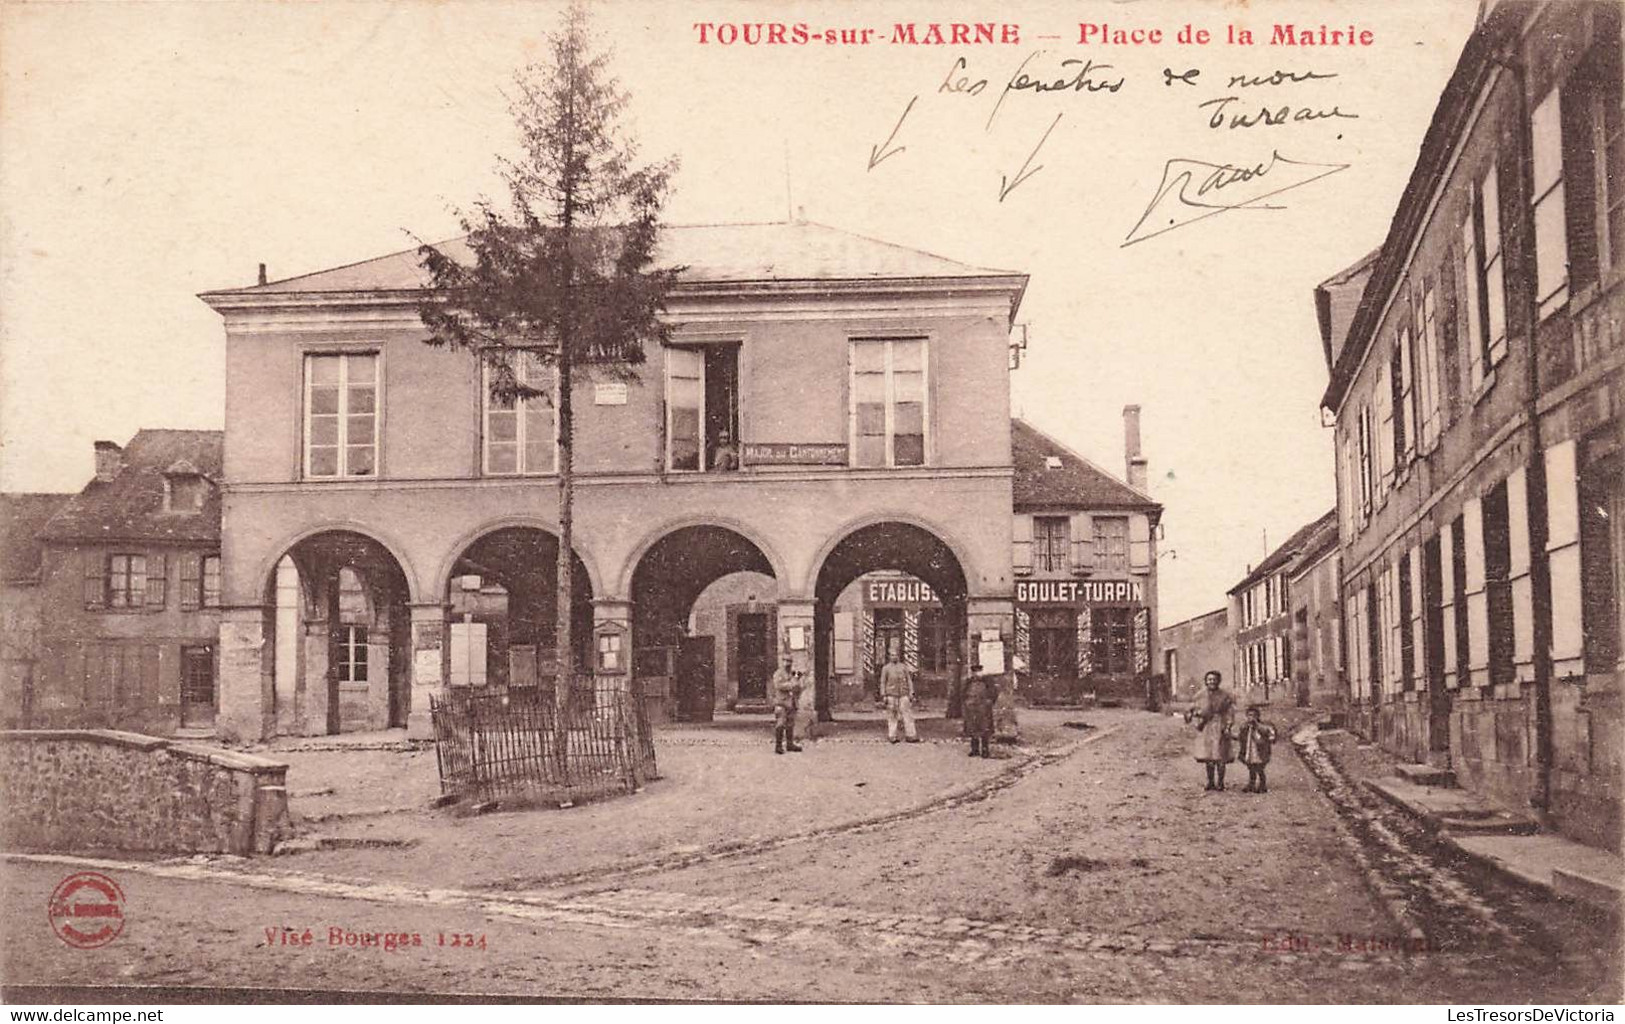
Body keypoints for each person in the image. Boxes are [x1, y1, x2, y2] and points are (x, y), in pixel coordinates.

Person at [1188, 670, 1236, 791]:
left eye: (1214, 679)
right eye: (1209, 680)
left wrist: (1228, 725)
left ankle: (1220, 782)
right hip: (1206, 727)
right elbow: (1193, 709)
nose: (1212, 682)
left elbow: (1229, 712)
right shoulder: (1200, 695)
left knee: (1220, 755)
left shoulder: (1225, 696)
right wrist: (1197, 715)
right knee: (1208, 756)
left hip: (1220, 725)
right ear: (1206, 681)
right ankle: (1210, 782)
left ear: (1218, 681)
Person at [878, 646, 919, 744]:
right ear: (889, 656)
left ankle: (911, 735)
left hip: (903, 694)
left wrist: (911, 692)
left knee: (907, 714)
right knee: (892, 715)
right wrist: (883, 695)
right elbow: (883, 682)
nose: (894, 657)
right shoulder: (886, 668)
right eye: (892, 655)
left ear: (898, 656)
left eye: (895, 655)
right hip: (891, 695)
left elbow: (909, 680)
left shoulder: (903, 667)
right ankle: (892, 735)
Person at [1234, 704, 1278, 793]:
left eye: (1254, 715)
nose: (1251, 718)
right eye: (1249, 715)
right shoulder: (1245, 726)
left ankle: (1262, 785)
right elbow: (1240, 737)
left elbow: (1269, 735)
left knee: (1260, 768)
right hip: (1249, 750)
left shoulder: (1262, 726)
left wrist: (1257, 727)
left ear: (1258, 716)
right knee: (1251, 768)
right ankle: (1251, 784)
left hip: (1259, 751)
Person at [962, 659, 995, 758]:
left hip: (983, 708)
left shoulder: (987, 682)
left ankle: (985, 750)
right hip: (971, 708)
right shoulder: (969, 682)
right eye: (975, 672)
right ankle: (974, 749)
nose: (976, 674)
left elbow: (993, 693)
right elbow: (963, 693)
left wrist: (989, 701)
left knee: (984, 729)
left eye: (978, 672)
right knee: (972, 729)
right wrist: (966, 702)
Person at [771, 655, 803, 754]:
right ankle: (778, 746)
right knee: (780, 724)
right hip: (781, 702)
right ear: (782, 662)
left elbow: (799, 687)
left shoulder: (793, 674)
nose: (788, 663)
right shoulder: (778, 673)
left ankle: (790, 744)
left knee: (790, 724)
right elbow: (778, 685)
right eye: (786, 661)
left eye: (789, 661)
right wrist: (792, 685)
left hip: (791, 702)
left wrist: (797, 683)